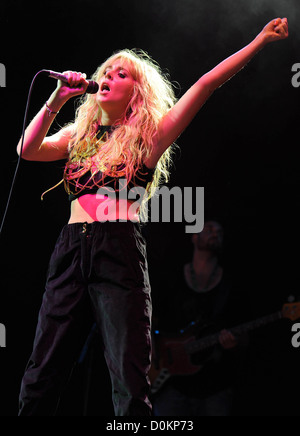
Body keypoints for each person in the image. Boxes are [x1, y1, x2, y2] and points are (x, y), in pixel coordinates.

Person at [16, 18, 288, 416]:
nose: (108, 75)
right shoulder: (77, 135)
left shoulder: (150, 136)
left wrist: (260, 41)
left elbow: (205, 84)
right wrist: (57, 98)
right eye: (105, 71)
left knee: (128, 373)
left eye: (120, 73)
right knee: (43, 367)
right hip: (70, 249)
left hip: (117, 249)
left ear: (136, 92)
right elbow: (26, 149)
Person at [151, 221, 242, 416]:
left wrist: (234, 343)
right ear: (194, 237)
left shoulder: (230, 285)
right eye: (209, 229)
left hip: (215, 386)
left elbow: (242, 331)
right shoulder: (172, 277)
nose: (215, 233)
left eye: (220, 231)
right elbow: (150, 319)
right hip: (171, 384)